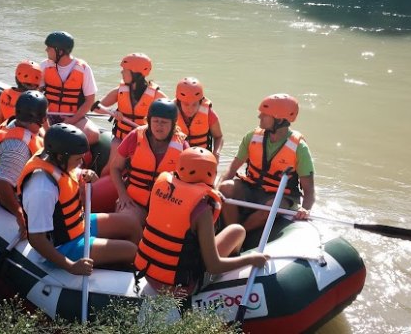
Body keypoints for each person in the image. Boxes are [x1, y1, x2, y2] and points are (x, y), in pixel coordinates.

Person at [135, 147, 270, 295]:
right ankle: (230, 277)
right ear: (211, 174)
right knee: (237, 231)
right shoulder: (202, 209)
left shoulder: (162, 187)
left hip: (149, 275)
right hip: (182, 287)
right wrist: (251, 260)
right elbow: (214, 266)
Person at [17, 123, 140, 274]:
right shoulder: (42, 188)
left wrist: (83, 173)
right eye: (78, 159)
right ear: (61, 157)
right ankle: (126, 274)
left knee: (132, 224)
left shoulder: (55, 158)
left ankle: (126, 265)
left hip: (77, 225)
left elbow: (71, 172)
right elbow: (37, 239)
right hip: (63, 246)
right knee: (131, 250)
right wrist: (71, 266)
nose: (80, 163)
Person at [218, 94, 315, 233]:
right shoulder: (252, 137)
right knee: (225, 188)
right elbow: (232, 168)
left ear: (279, 119)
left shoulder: (300, 148)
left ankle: (239, 234)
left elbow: (309, 189)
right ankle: (229, 230)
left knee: (271, 206)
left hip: (280, 195)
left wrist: (305, 209)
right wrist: (215, 191)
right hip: (251, 186)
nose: (259, 117)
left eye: (264, 114)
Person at [110, 99, 189, 225]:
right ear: (149, 120)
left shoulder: (183, 146)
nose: (159, 126)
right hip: (134, 202)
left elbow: (189, 182)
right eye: (156, 121)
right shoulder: (135, 136)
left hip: (165, 205)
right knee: (129, 222)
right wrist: (123, 195)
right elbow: (115, 168)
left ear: (173, 124)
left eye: (164, 122)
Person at [94, 53, 167, 176]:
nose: (121, 73)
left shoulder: (155, 94)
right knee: (110, 167)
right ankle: (98, 183)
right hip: (121, 138)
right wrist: (112, 112)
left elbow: (171, 113)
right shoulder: (120, 90)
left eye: (124, 70)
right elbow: (97, 107)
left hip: (144, 139)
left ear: (135, 73)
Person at [0, 90, 47, 239]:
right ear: (40, 118)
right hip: (20, 199)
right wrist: (19, 213)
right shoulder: (18, 148)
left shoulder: (17, 123)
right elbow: (1, 184)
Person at [40, 31, 100, 146]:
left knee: (93, 134)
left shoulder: (83, 68)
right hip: (48, 116)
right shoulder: (44, 66)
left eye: (49, 47)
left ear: (60, 51)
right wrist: (44, 121)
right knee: (39, 134)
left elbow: (89, 100)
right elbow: (37, 94)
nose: (46, 50)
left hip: (74, 116)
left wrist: (72, 120)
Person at [174, 77, 224, 159]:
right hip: (177, 159)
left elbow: (218, 137)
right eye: (186, 104)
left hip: (202, 158)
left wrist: (216, 153)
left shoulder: (209, 113)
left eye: (194, 104)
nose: (190, 108)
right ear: (179, 102)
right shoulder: (170, 112)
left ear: (200, 102)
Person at [0, 59, 42, 125]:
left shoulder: (6, 93)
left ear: (16, 78)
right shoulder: (36, 100)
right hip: (24, 134)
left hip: (5, 132)